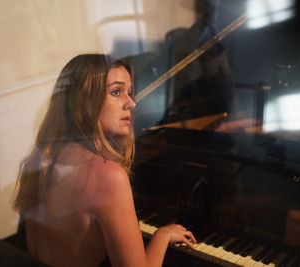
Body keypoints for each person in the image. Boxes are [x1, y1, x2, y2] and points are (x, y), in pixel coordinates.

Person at [13, 54, 196, 267]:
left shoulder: (43, 159)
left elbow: (35, 249)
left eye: (129, 92)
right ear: (84, 102)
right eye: (116, 92)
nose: (132, 103)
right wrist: (162, 236)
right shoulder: (107, 176)